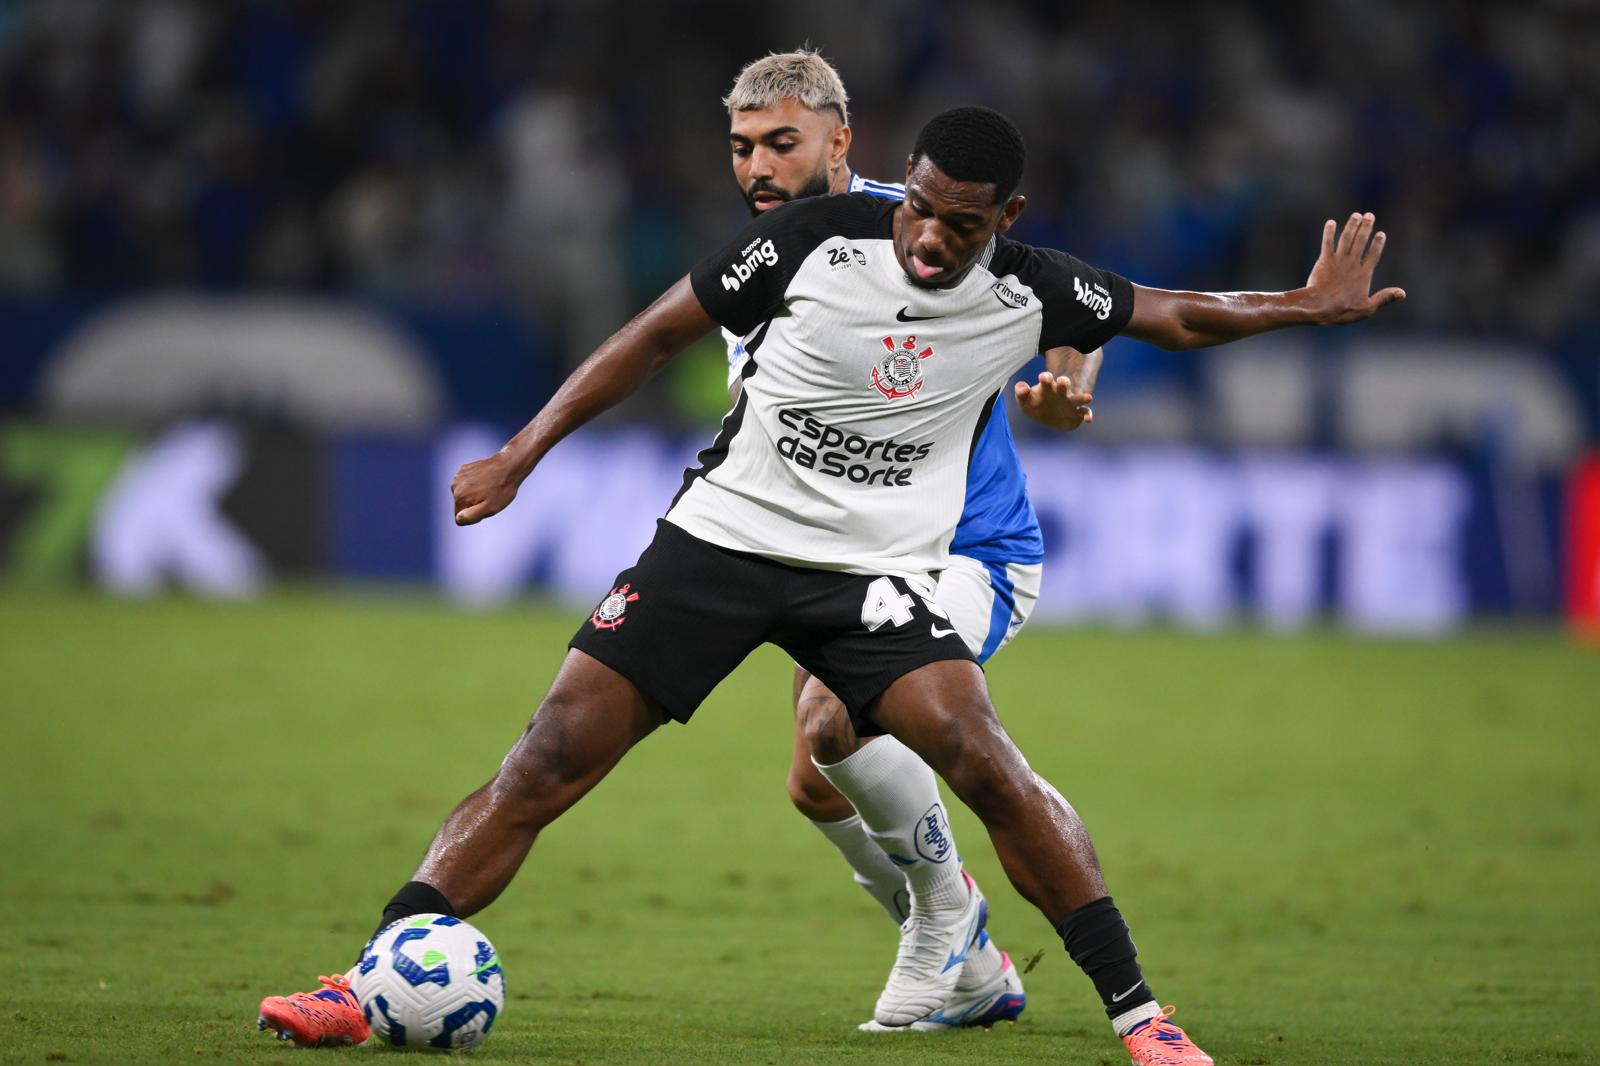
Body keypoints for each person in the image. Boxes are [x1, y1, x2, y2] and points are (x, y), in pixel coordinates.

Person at [257, 104, 1402, 1066]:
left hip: (873, 574)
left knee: (979, 756)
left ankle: (1142, 1017)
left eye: (960, 224)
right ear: (901, 183)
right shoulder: (816, 238)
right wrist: (523, 449)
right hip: (721, 542)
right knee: (549, 755)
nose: (928, 238)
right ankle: (368, 981)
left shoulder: (1035, 289)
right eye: (917, 205)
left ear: (1004, 222)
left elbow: (1179, 313)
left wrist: (1304, 307)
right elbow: (655, 333)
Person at [719, 48, 1103, 1033]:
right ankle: (967, 956)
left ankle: (948, 926)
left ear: (837, 142)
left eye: (781, 145)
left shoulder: (921, 219)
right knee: (816, 783)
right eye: (742, 148)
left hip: (968, 551)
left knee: (832, 726)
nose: (758, 168)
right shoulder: (757, 268)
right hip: (846, 555)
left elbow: (1080, 300)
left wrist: (1068, 384)